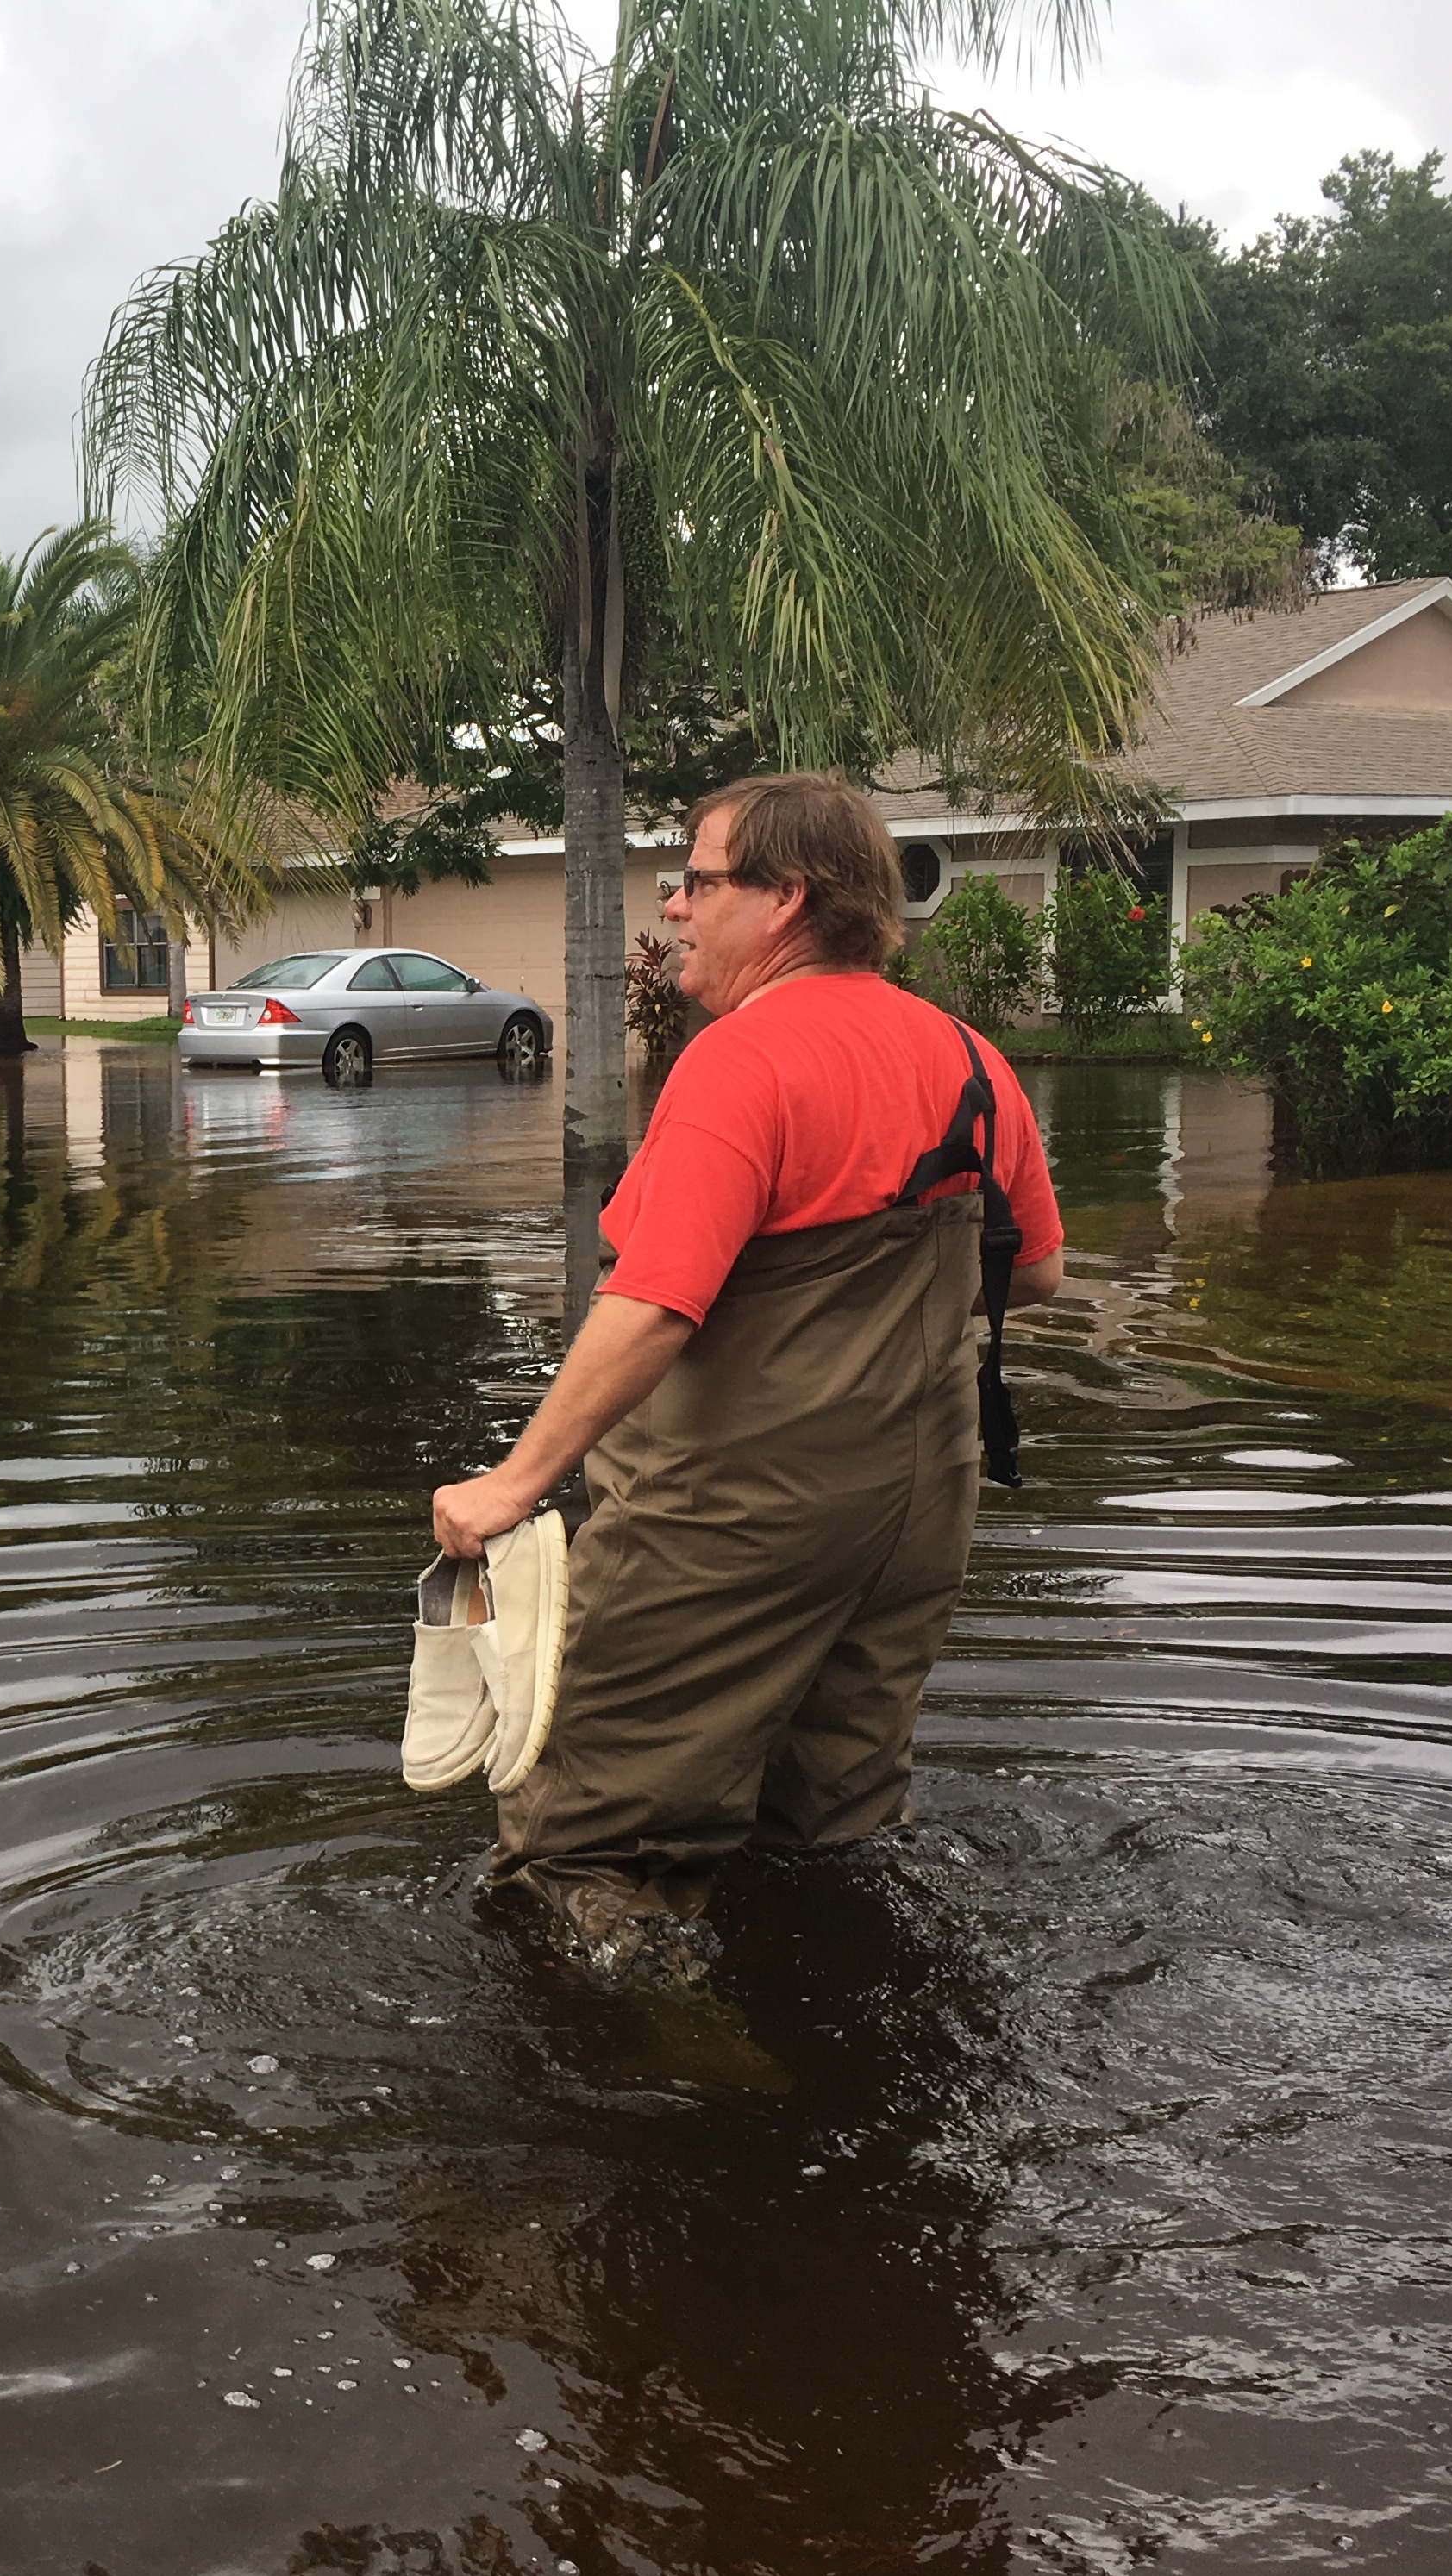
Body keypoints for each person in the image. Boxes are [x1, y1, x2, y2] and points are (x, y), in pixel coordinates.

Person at [429, 773, 1067, 1978]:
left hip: (739, 1513)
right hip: (918, 1512)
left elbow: (655, 1306)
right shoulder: (971, 1061)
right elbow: (1033, 1274)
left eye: (699, 880)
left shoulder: (740, 1063)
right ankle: (849, 2044)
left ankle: (690, 2069)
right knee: (829, 1825)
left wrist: (512, 1487)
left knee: (584, 1838)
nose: (674, 906)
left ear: (786, 898)